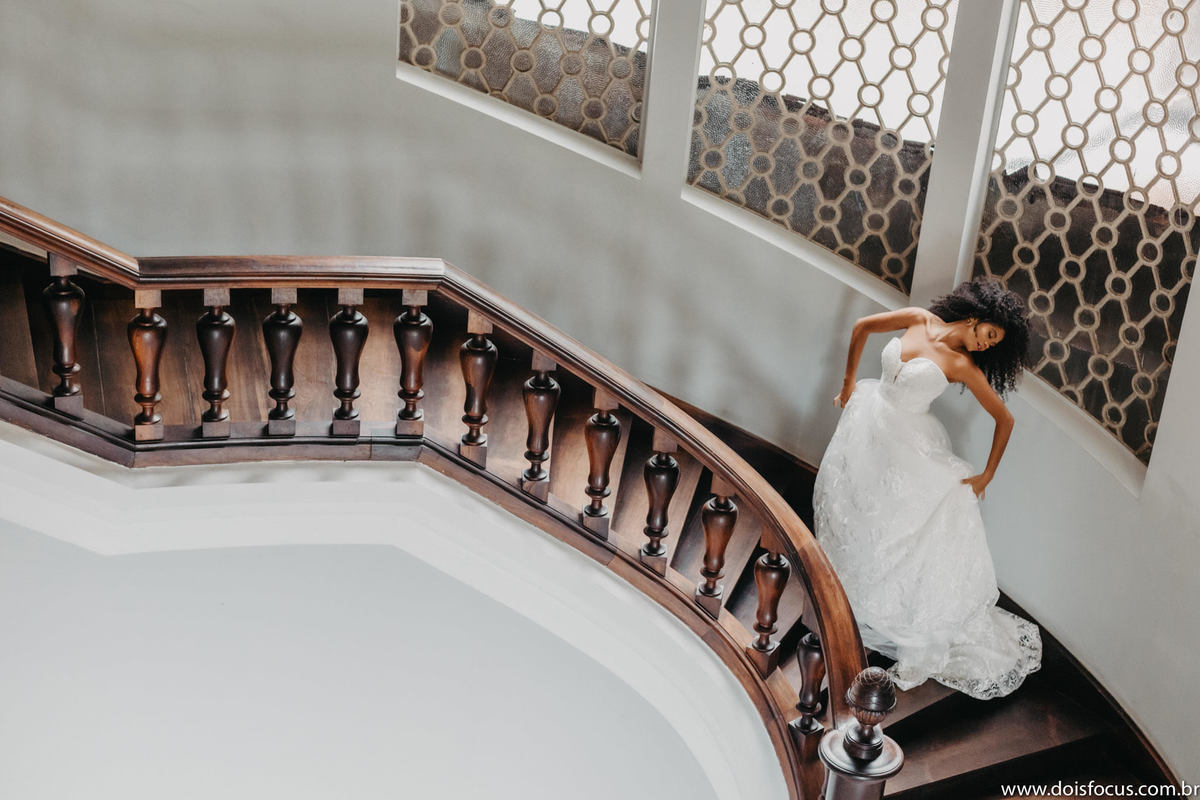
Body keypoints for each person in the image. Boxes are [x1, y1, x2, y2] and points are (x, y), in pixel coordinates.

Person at [813, 278, 1042, 700]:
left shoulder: (963, 366)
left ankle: (891, 605)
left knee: (902, 523)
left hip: (910, 444)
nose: (987, 346)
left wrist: (986, 475)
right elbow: (863, 326)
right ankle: (847, 585)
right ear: (975, 319)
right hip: (871, 419)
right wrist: (848, 384)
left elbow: (1005, 420)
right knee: (859, 505)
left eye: (995, 344)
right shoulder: (919, 319)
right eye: (989, 335)